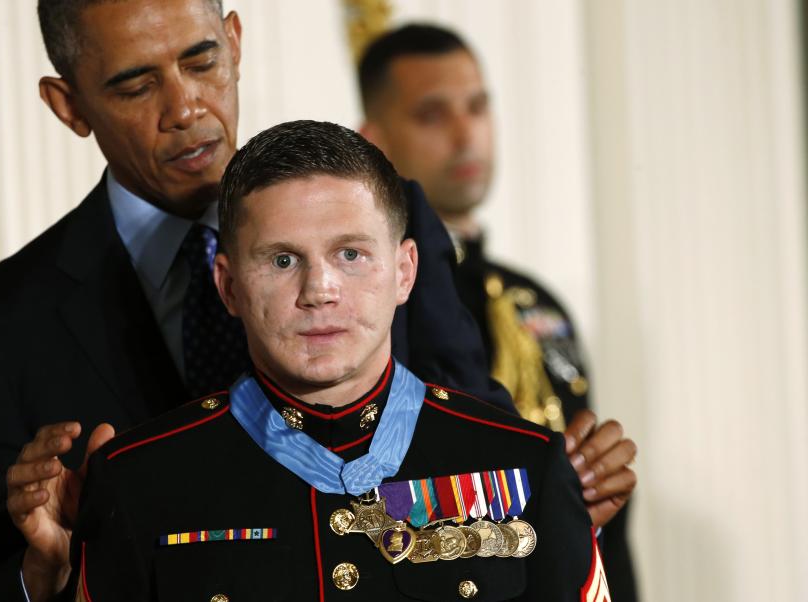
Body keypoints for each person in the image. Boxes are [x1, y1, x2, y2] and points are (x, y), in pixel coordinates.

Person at [0, 2, 503, 600]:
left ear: (234, 43)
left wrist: (558, 496)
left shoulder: (382, 224)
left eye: (201, 61)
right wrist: (43, 572)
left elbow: (482, 461)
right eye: (136, 85)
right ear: (69, 104)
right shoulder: (1, 326)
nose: (185, 109)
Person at [70, 119, 609, 601]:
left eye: (350, 254)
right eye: (283, 260)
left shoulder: (528, 463)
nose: (319, 290)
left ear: (404, 272)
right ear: (228, 286)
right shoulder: (136, 482)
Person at [357, 23, 638, 599]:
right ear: (375, 139)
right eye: (433, 114)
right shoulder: (367, 306)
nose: (467, 135)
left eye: (477, 107)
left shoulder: (536, 303)